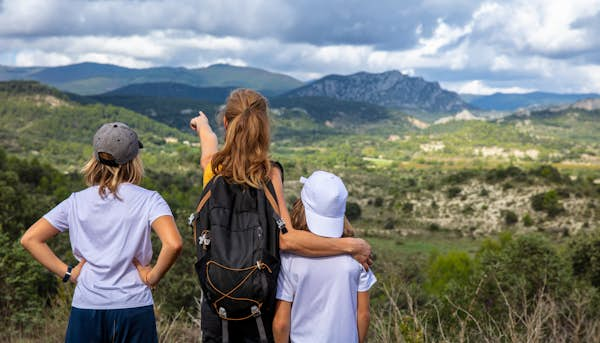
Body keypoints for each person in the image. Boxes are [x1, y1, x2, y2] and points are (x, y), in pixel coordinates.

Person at [189, 89, 373, 342]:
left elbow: (208, 148)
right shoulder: (269, 174)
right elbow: (286, 239)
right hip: (259, 302)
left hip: (216, 300)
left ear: (226, 124)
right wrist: (351, 245)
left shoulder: (214, 168)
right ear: (264, 128)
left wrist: (203, 126)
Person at [20, 122, 183, 343]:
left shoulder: (76, 202)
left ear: (96, 159)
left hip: (87, 306)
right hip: (133, 305)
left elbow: (30, 239)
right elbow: (173, 244)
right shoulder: (150, 199)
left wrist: (69, 273)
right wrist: (152, 277)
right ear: (134, 160)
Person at [272, 171, 376, 343]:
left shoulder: (289, 260)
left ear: (302, 206)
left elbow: (281, 324)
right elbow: (363, 315)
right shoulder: (357, 258)